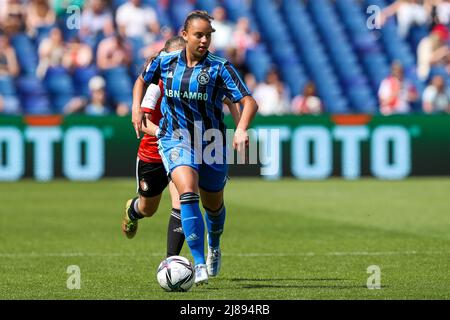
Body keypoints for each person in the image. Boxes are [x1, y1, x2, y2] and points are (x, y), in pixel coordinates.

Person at [132, 11, 258, 285]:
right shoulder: (165, 62)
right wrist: (135, 110)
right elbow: (142, 78)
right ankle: (198, 264)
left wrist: (241, 129)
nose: (204, 40)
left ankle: (214, 245)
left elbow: (248, 101)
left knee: (213, 205)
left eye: (208, 35)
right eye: (199, 35)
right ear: (185, 35)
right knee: (188, 193)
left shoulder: (219, 68)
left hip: (211, 141)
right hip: (177, 139)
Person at [123, 35, 242, 260]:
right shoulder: (157, 85)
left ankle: (172, 262)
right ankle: (133, 210)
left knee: (182, 202)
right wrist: (165, 133)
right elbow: (143, 122)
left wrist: (239, 129)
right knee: (148, 209)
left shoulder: (197, 79)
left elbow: (229, 98)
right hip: (153, 152)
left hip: (181, 150)